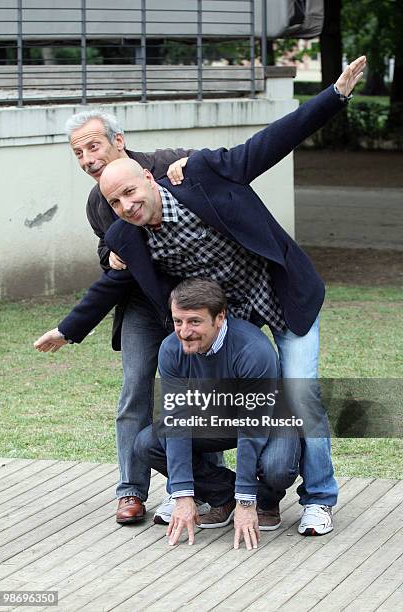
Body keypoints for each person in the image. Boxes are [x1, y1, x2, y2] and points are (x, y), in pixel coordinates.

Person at [34, 56, 367, 536]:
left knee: (300, 394)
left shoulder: (200, 174)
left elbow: (269, 144)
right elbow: (111, 284)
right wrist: (67, 330)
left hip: (283, 296)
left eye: (130, 192)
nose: (127, 206)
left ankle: (318, 499)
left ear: (147, 177)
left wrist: (333, 96)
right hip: (237, 316)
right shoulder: (127, 236)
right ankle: (224, 491)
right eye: (115, 202)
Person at [63, 110, 206, 524]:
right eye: (78, 154)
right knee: (135, 391)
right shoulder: (97, 204)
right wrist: (107, 256)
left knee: (201, 395)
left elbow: (221, 167)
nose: (88, 159)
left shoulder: (164, 162)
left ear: (119, 141)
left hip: (195, 302)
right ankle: (130, 491)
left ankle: (202, 488)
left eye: (94, 146)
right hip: (143, 303)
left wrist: (191, 162)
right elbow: (108, 254)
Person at [135, 277, 301, 550]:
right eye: (178, 321)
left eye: (194, 322)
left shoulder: (252, 351)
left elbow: (253, 428)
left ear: (220, 318)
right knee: (148, 442)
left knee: (278, 466)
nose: (185, 331)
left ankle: (265, 502)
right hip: (216, 421)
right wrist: (183, 495)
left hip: (268, 420)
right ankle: (223, 496)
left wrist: (247, 501)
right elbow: (176, 421)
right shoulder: (170, 350)